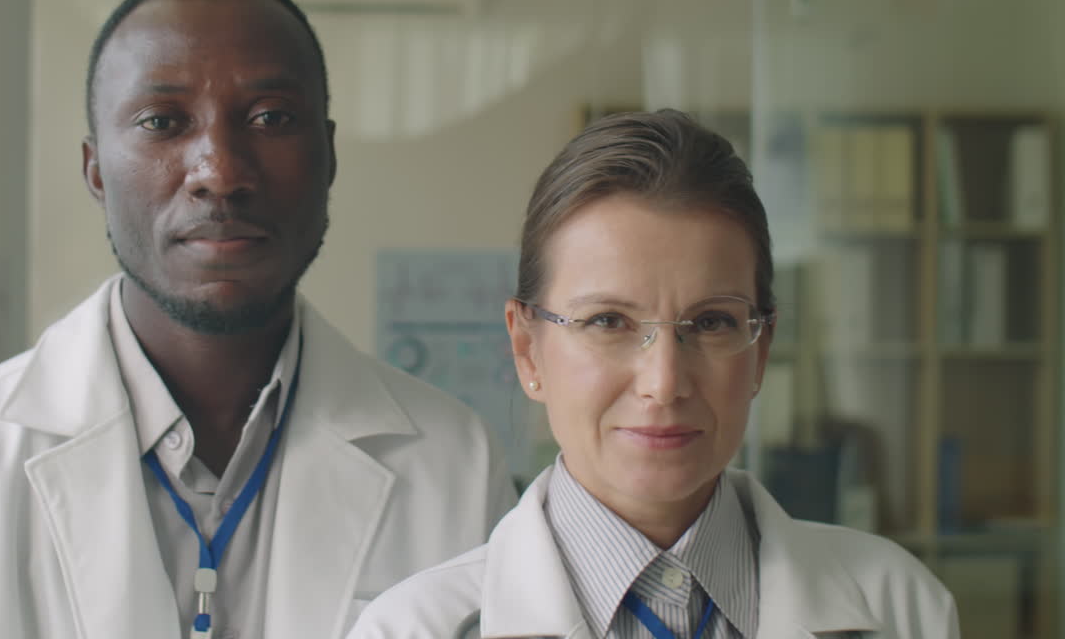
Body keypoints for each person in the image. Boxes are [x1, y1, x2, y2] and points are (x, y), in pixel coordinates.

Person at [0, 0, 516, 639]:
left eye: (272, 117)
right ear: (95, 173)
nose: (220, 173)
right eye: (162, 121)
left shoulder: (454, 466)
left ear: (329, 158)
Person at [347, 110, 958, 639]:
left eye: (713, 322)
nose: (664, 383)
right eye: (608, 320)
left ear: (761, 350)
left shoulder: (901, 608)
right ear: (528, 349)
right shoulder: (411, 627)